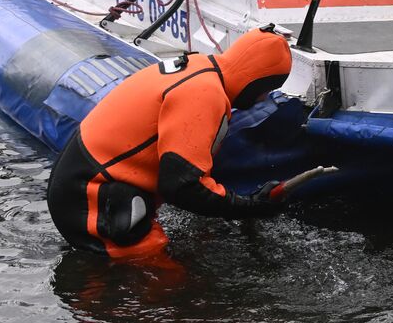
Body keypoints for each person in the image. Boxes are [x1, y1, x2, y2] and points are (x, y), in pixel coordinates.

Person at [46, 26, 293, 259]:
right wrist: (249, 206)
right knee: (161, 279)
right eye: (268, 88)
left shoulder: (199, 66)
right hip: (94, 192)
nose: (265, 98)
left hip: (84, 181)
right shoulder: (204, 94)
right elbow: (182, 186)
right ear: (256, 82)